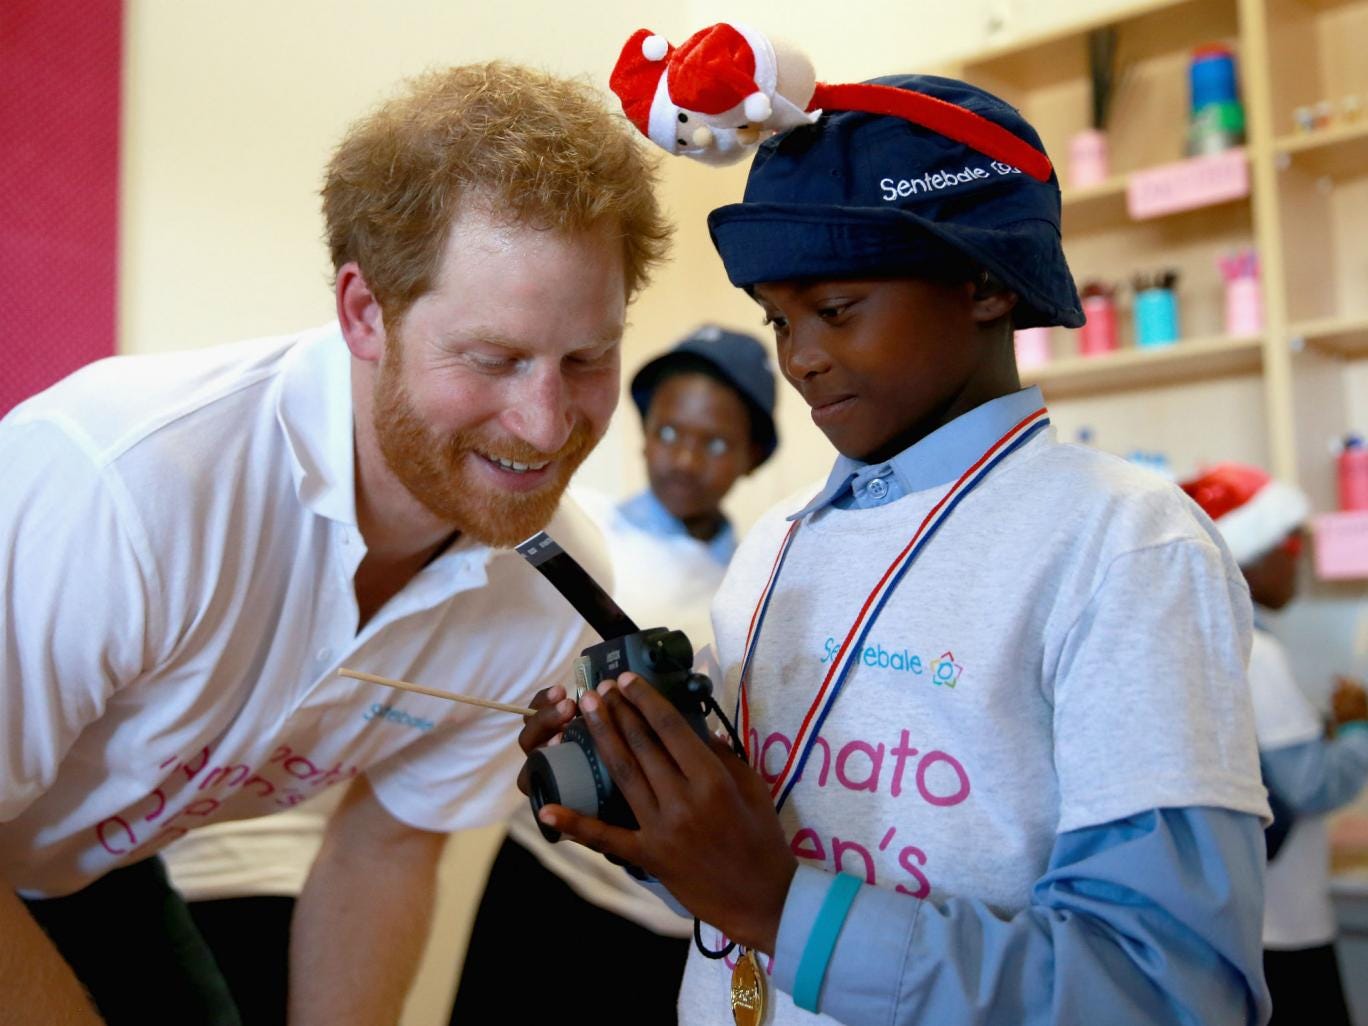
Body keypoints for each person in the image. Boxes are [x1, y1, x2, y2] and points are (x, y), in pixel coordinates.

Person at [519, 73, 1274, 1024]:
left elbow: (1167, 990)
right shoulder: (776, 547)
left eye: (836, 308)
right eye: (778, 320)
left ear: (986, 281)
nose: (800, 358)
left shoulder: (1123, 546)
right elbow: (748, 871)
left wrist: (780, 908)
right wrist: (640, 802)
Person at [0, 61, 669, 1026]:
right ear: (364, 313)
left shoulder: (549, 591)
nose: (545, 423)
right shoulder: (126, 485)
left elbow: (388, 847)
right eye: (494, 359)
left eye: (588, 358)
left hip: (78, 866)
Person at [450, 325, 777, 1023]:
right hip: (545, 870)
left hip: (660, 914)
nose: (684, 459)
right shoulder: (573, 538)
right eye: (669, 432)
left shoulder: (753, 587)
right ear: (645, 429)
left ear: (752, 455)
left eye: (715, 443)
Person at [1182, 463, 1368, 1026]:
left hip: (1234, 920)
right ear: (1248, 553)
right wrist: (1357, 728)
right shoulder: (1258, 653)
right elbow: (1310, 786)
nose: (1299, 557)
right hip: (1286, 921)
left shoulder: (1200, 639)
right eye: (1288, 541)